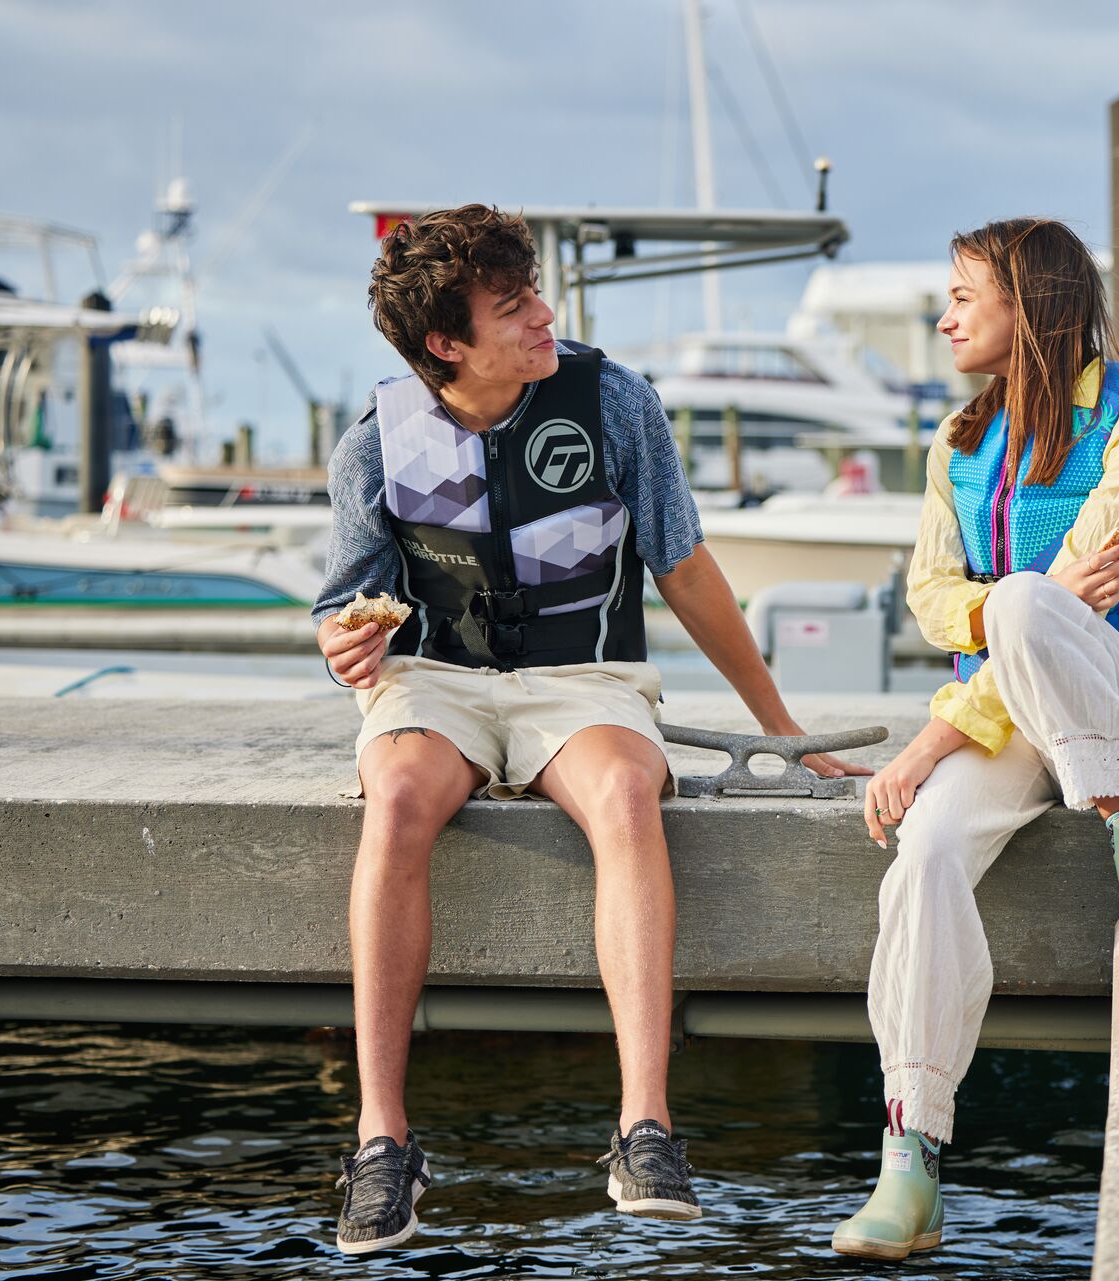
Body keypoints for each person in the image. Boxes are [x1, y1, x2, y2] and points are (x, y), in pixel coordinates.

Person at [313, 204, 866, 1254]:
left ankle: (645, 1127)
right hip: (439, 681)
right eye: (511, 307)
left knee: (623, 794)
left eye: (535, 293)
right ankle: (384, 1141)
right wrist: (344, 640)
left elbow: (687, 570)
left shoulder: (615, 403)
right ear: (447, 345)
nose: (543, 317)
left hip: (587, 678)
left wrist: (783, 725)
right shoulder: (373, 442)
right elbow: (347, 601)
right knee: (396, 799)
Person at [830, 217, 1119, 1262]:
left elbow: (1056, 612)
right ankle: (909, 1162)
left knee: (1025, 609)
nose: (946, 317)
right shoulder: (957, 443)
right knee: (924, 859)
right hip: (1004, 721)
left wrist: (921, 749)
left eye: (963, 296)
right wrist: (1002, 612)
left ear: (1029, 306)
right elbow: (927, 599)